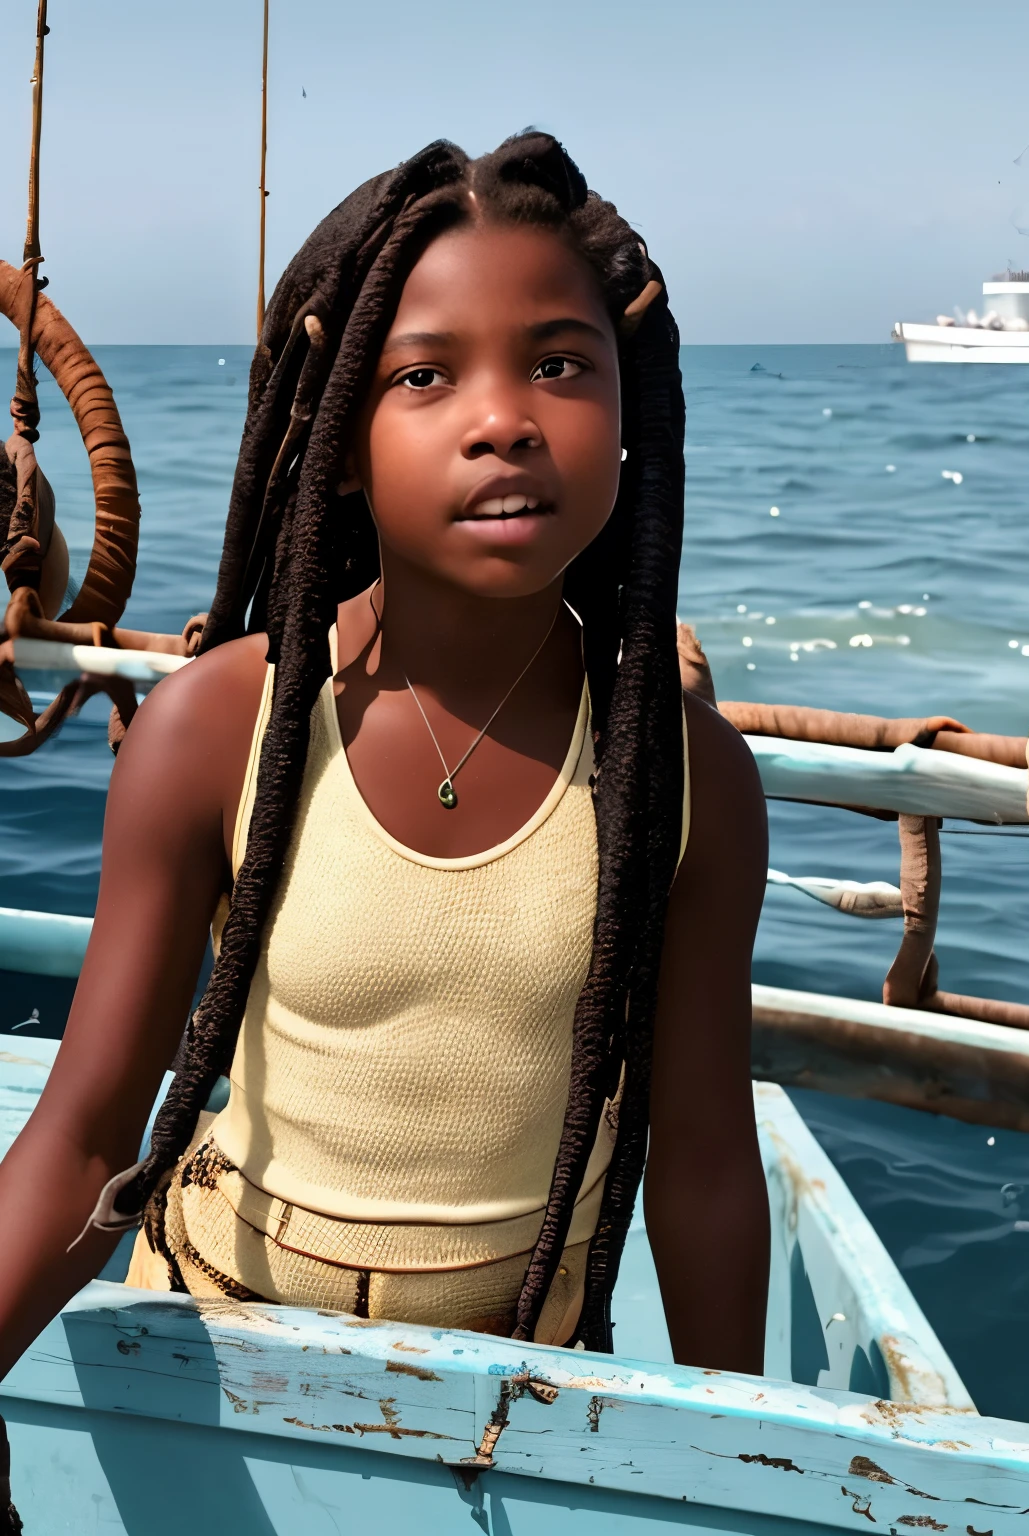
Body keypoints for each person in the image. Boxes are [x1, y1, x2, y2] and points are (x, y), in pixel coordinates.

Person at [0, 133, 770, 1417]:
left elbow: (700, 1169)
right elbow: (84, 1135)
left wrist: (754, 1467)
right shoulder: (221, 728)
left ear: (631, 413)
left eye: (561, 366)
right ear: (343, 438)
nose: (505, 421)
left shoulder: (686, 777)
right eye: (425, 376)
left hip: (515, 1399)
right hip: (216, 1366)